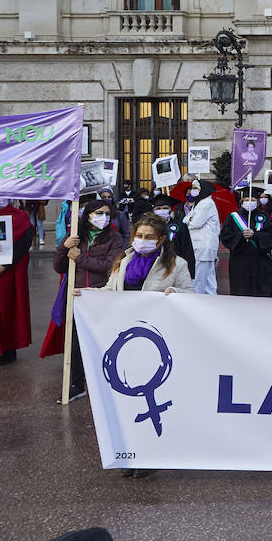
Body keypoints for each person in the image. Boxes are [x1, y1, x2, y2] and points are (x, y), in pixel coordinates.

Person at [98, 212, 193, 478]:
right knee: (126, 400)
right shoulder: (124, 260)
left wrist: (175, 294)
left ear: (161, 239)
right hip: (124, 340)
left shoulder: (176, 265)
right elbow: (109, 290)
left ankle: (149, 454)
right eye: (138, 236)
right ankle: (128, 452)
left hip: (156, 341)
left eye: (149, 237)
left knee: (151, 398)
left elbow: (192, 293)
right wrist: (88, 295)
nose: (142, 241)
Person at [53, 197, 126, 402]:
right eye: (99, 213)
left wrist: (80, 258)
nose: (103, 218)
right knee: (75, 343)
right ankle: (77, 385)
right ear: (88, 215)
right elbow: (59, 266)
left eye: (107, 214)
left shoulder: (115, 238)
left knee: (103, 342)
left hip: (100, 295)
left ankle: (106, 384)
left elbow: (110, 266)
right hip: (76, 296)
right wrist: (63, 247)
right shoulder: (76, 235)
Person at [0, 198, 36, 366]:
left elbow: (24, 243)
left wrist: (5, 265)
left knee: (7, 309)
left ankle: (8, 350)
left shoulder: (19, 216)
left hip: (7, 273)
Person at [219, 193, 272, 297]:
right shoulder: (233, 217)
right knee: (240, 293)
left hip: (260, 261)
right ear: (242, 202)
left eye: (253, 199)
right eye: (247, 199)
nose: (249, 202)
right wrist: (241, 236)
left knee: (260, 294)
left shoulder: (263, 216)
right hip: (240, 260)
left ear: (257, 202)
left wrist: (255, 235)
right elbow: (225, 236)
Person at [183, 179, 221, 295]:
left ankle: (199, 300)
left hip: (203, 245)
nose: (193, 191)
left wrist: (190, 220)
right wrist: (190, 220)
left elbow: (195, 223)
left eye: (195, 188)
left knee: (200, 278)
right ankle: (211, 298)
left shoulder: (206, 204)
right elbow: (186, 219)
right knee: (209, 278)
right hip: (202, 246)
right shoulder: (200, 203)